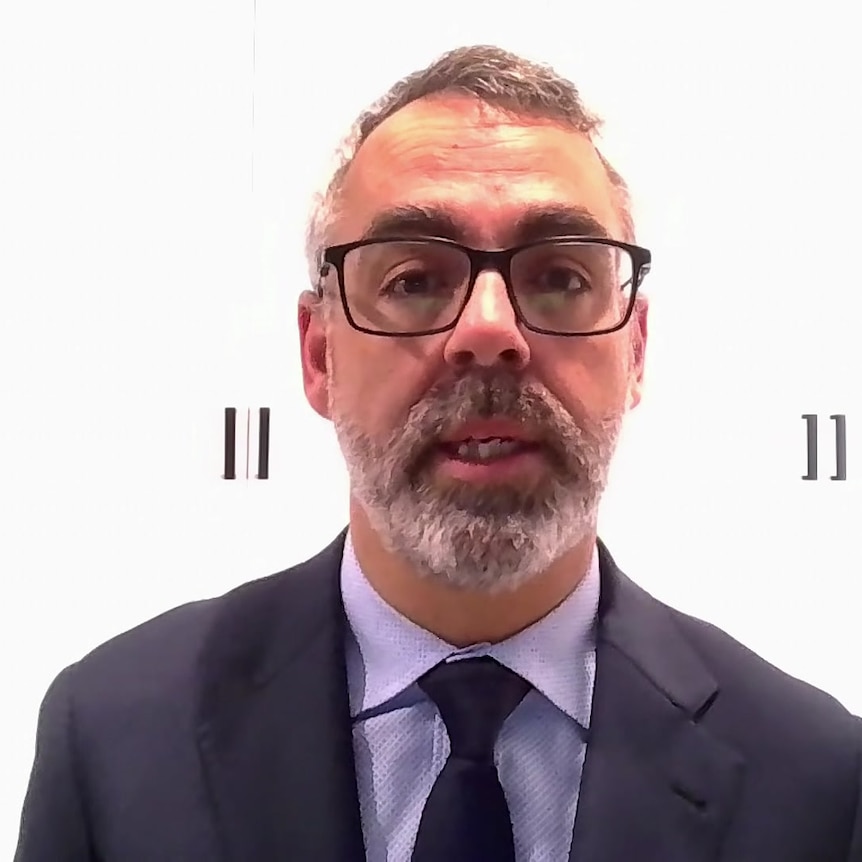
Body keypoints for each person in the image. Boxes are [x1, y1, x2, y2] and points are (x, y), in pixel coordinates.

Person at [14, 43, 861, 862]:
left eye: (560, 278)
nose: (489, 331)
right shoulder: (115, 735)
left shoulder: (817, 779)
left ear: (635, 351)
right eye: (414, 281)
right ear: (319, 354)